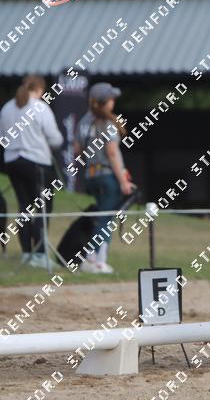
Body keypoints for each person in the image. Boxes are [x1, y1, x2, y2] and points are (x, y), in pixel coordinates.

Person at [0, 75, 63, 267]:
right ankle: (40, 254)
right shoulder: (40, 107)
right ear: (40, 89)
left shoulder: (7, 108)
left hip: (12, 162)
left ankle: (27, 253)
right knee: (43, 207)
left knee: (24, 207)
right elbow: (55, 139)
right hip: (37, 163)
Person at [74, 82, 134, 273]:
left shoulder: (83, 122)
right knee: (106, 218)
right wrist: (123, 181)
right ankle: (95, 259)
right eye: (111, 98)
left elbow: (77, 151)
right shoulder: (108, 124)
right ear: (104, 101)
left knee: (103, 216)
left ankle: (96, 259)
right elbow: (112, 154)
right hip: (108, 176)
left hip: (91, 176)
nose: (113, 101)